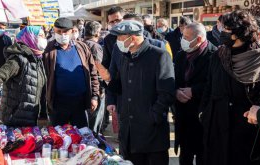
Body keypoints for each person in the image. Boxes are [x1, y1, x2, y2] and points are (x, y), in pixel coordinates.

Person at [96, 20, 175, 165]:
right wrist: (107, 79)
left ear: (131, 38)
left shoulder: (159, 55)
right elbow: (121, 88)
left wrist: (153, 117)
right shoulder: (126, 56)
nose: (117, 43)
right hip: (129, 133)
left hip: (152, 135)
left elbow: (167, 93)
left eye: (119, 38)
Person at [200, 10, 260, 165]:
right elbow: (209, 87)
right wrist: (203, 113)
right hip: (216, 128)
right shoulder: (219, 56)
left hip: (246, 133)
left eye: (227, 29)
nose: (222, 32)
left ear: (239, 33)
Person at [43, 18, 99, 128]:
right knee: (58, 137)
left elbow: (92, 72)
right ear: (54, 31)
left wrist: (94, 97)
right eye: (59, 31)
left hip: (80, 102)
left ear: (72, 31)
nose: (62, 34)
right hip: (58, 103)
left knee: (81, 136)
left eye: (65, 32)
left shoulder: (82, 47)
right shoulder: (48, 50)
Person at [0, 26, 47, 126]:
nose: (44, 39)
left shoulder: (37, 59)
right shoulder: (18, 59)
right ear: (30, 37)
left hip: (30, 118)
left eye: (44, 36)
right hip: (15, 119)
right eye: (40, 36)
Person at [174, 22, 217, 165]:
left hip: (203, 117)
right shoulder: (181, 56)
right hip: (183, 116)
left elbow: (215, 85)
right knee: (185, 156)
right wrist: (176, 92)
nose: (183, 40)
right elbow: (173, 79)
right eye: (183, 36)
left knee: (203, 156)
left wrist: (193, 91)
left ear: (198, 39)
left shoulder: (215, 56)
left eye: (186, 37)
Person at [83, 21, 105, 133]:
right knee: (94, 120)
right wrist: (100, 89)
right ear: (97, 33)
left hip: (84, 86)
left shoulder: (80, 43)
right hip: (94, 88)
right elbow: (98, 69)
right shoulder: (95, 47)